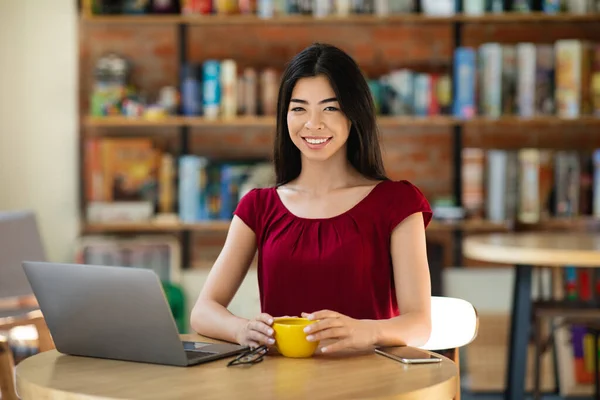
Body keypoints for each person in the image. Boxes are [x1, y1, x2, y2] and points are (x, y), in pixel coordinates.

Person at [190, 43, 433, 354]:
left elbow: (420, 325)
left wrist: (366, 330)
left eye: (330, 108)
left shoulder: (398, 203)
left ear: (353, 115)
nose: (313, 123)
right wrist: (242, 329)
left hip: (371, 382)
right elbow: (203, 311)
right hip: (280, 383)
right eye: (299, 108)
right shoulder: (258, 206)